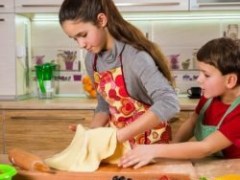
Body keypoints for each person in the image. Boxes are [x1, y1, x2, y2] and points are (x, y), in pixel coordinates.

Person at [58, 0, 179, 146]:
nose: (81, 44)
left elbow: (169, 102)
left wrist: (119, 136)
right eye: (75, 38)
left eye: (83, 34)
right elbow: (104, 105)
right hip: (118, 145)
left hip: (151, 146)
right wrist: (91, 136)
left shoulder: (135, 57)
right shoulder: (92, 60)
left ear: (101, 20)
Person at [119, 37, 240, 169]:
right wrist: (170, 149)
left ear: (230, 81)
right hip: (214, 164)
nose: (199, 79)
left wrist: (154, 150)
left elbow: (206, 147)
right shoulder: (210, 97)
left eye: (206, 75)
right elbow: (192, 123)